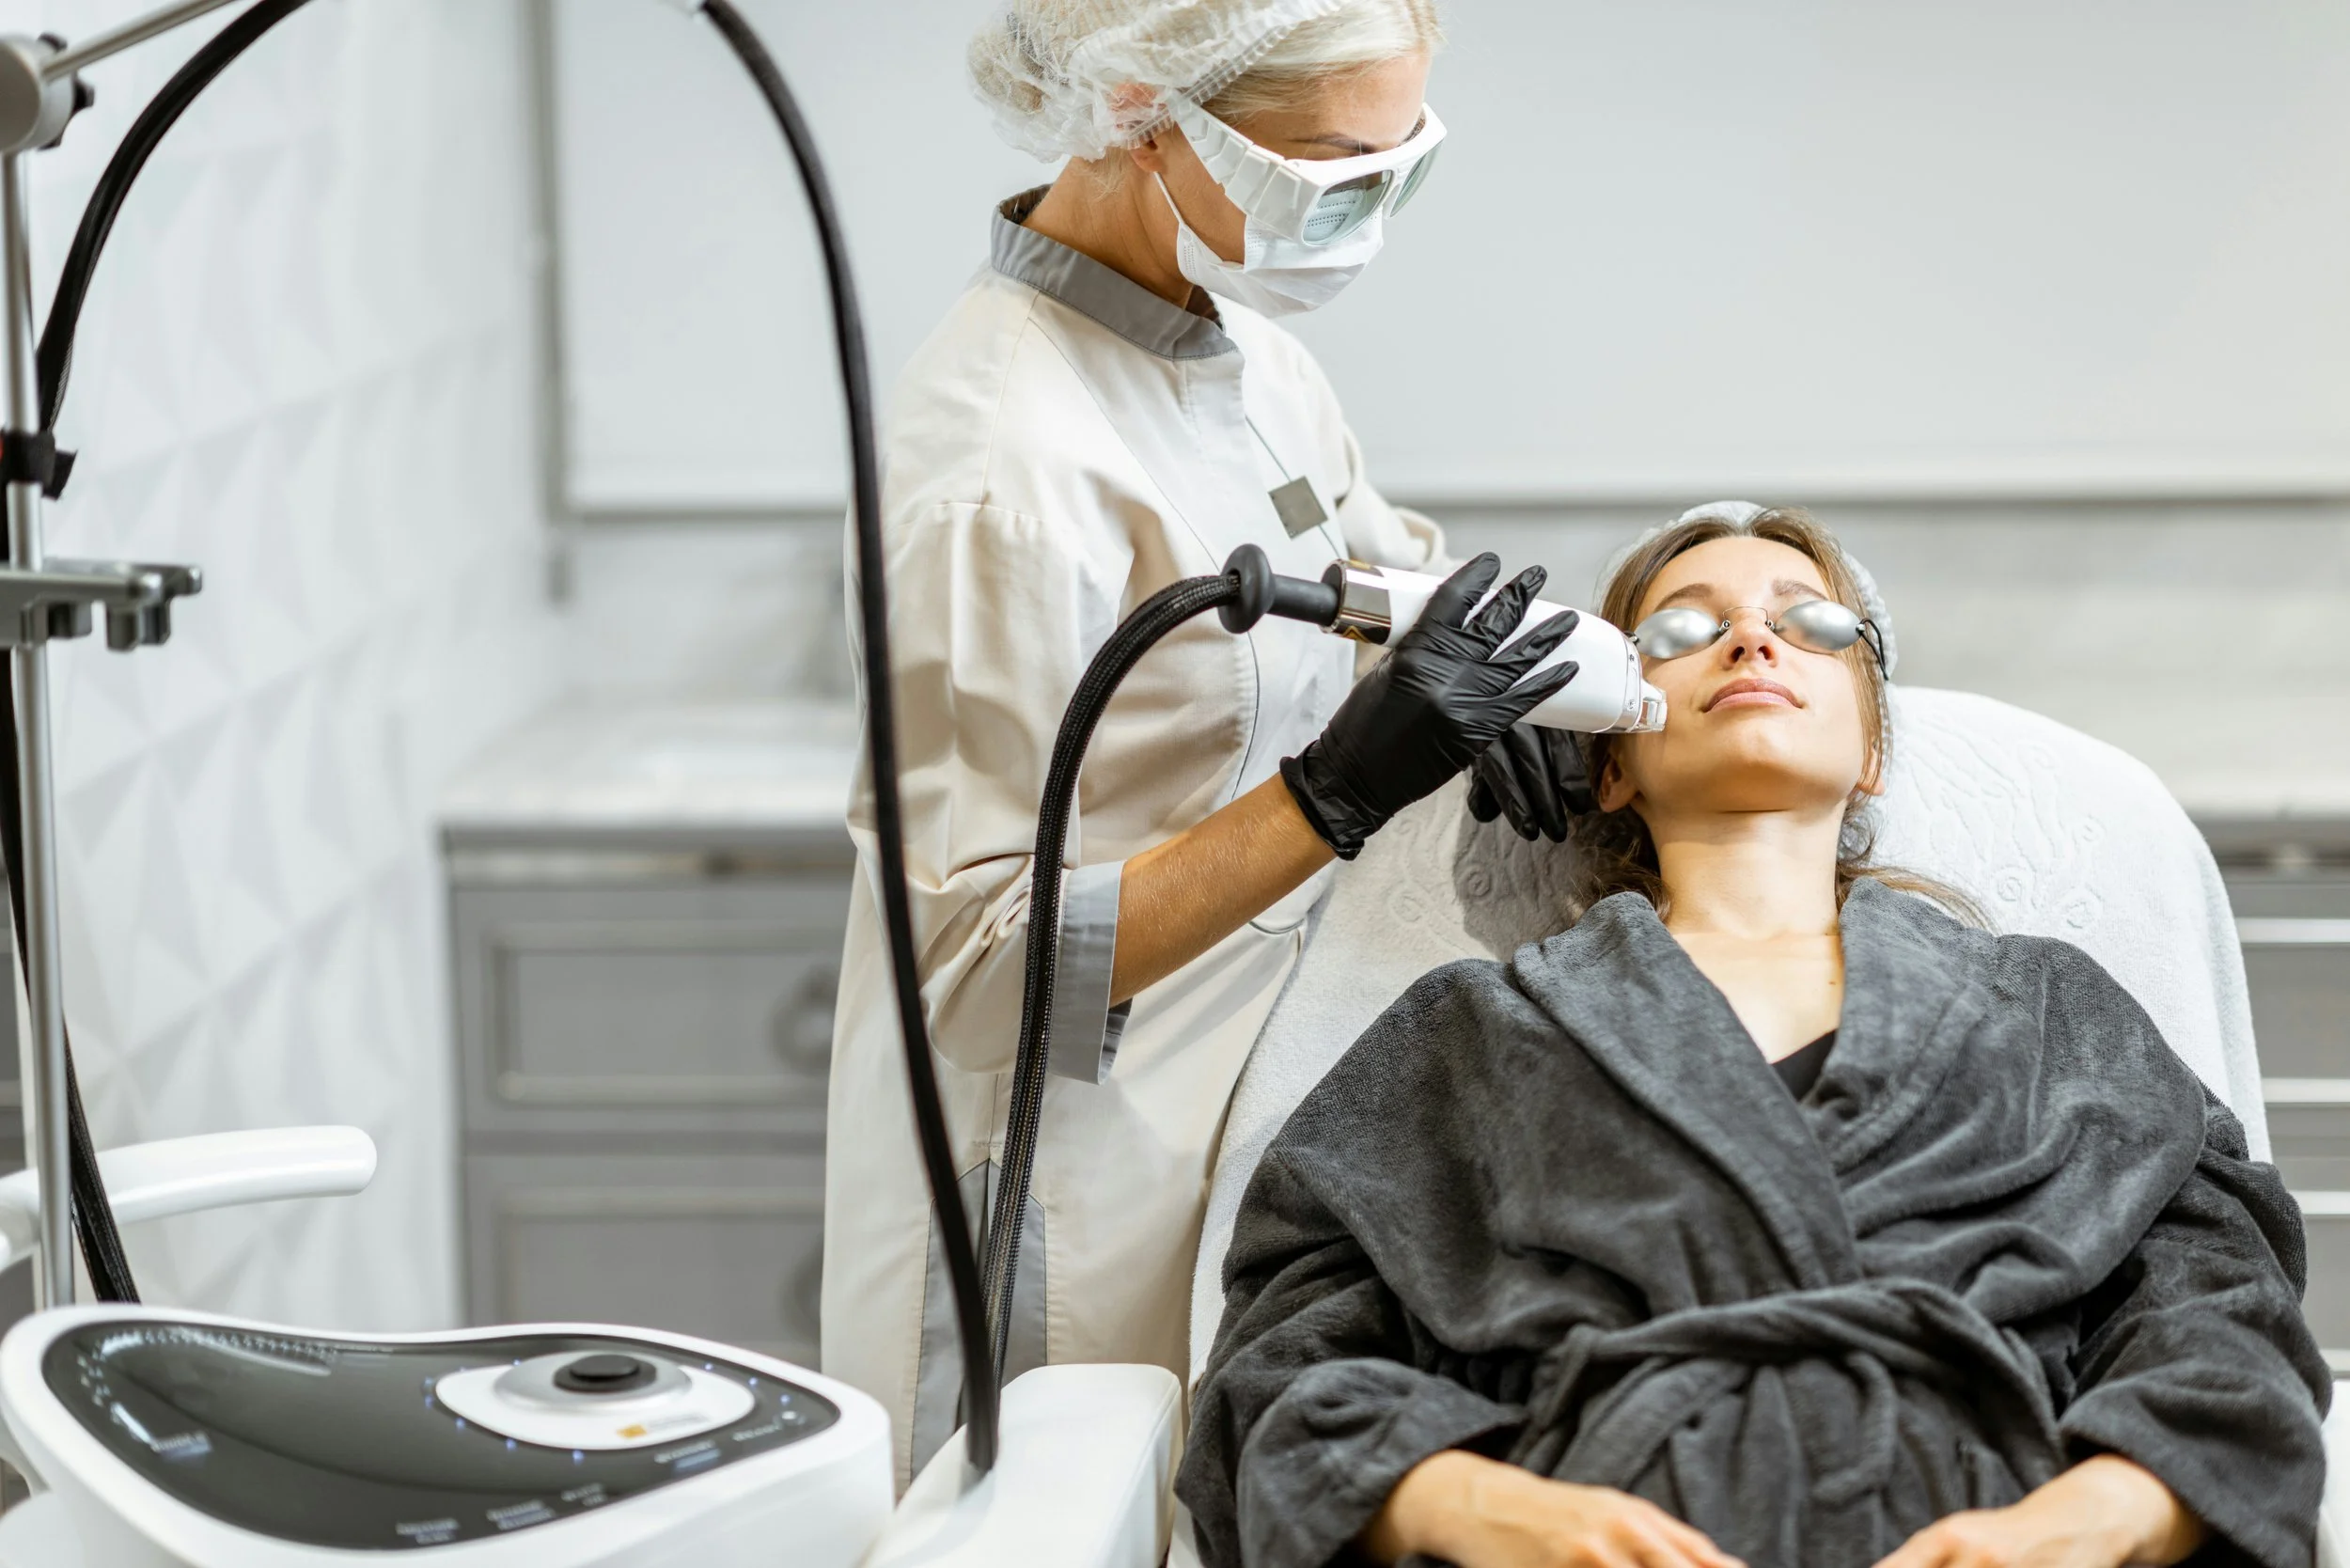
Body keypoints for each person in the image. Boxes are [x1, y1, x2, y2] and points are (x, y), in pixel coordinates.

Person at [1178, 507, 2330, 1568]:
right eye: (1683, 627)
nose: (1750, 642)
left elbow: (2225, 1315)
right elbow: (1280, 1364)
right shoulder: (1476, 1031)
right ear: (1611, 755)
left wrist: (2089, 1519)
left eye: (1810, 622)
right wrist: (1490, 1512)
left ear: (1873, 748)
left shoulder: (2049, 1009)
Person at [823, 0, 1587, 1487]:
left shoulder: (1241, 359)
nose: (1363, 217)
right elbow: (979, 977)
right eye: (1325, 172)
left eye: (1399, 166)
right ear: (1133, 112)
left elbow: (1363, 566)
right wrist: (1338, 791)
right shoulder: (998, 470)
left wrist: (1496, 685)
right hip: (1064, 1191)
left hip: (1249, 1127)